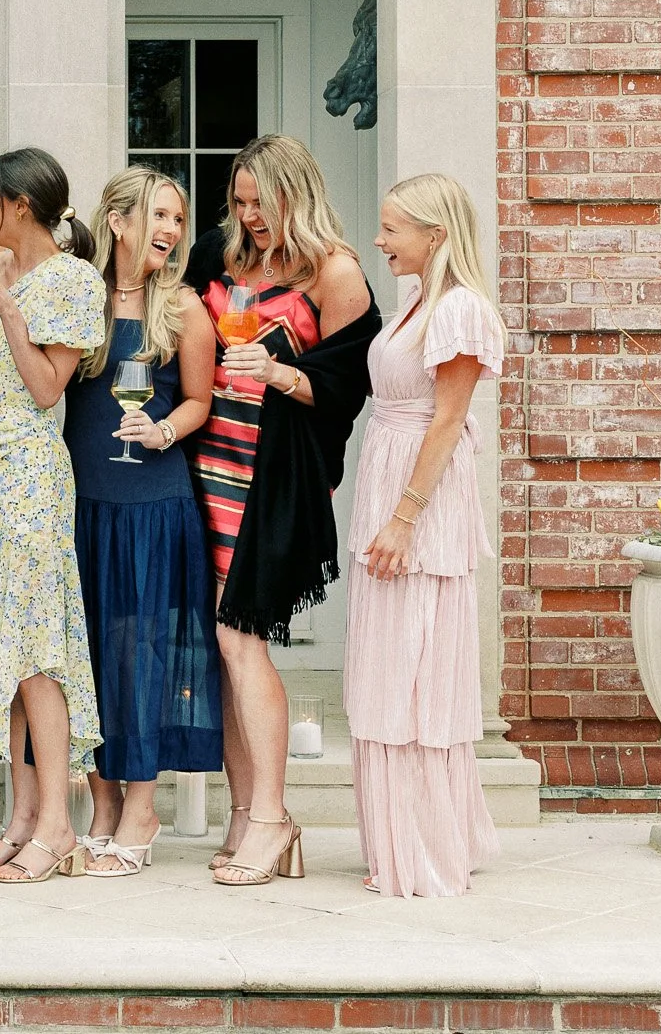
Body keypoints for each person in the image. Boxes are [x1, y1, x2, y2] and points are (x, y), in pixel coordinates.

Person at [187, 134, 378, 887]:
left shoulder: (333, 270)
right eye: (239, 201)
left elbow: (351, 387)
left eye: (261, 201)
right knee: (218, 643)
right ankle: (245, 815)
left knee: (242, 641)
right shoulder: (218, 256)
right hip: (201, 464)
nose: (249, 215)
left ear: (297, 191)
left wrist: (277, 372)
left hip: (270, 477)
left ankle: (272, 815)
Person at [0, 148, 106, 884]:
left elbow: (46, 389)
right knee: (8, 656)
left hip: (34, 478)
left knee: (38, 652)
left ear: (19, 203)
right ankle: (21, 814)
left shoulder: (73, 280)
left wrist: (7, 307)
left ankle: (58, 826)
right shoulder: (13, 274)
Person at [348, 173, 504, 897]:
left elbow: (446, 420)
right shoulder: (415, 302)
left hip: (420, 501)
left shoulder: (460, 310)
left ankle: (427, 848)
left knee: (416, 670)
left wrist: (405, 517)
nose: (379, 240)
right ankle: (394, 842)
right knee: (384, 667)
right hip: (389, 485)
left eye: (392, 228)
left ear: (435, 234)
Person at [67, 167, 222, 878]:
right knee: (90, 653)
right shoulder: (80, 293)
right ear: (118, 220)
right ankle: (99, 806)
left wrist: (162, 431)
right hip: (82, 501)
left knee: (142, 657)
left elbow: (198, 399)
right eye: (159, 214)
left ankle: (141, 807)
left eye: (179, 218)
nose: (171, 229)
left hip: (154, 503)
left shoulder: (185, 306)